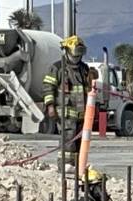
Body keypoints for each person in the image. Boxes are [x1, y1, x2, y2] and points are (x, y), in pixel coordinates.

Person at [42, 35, 97, 168]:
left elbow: (89, 90)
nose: (77, 58)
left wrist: (93, 78)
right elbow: (48, 87)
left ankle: (78, 165)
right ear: (67, 51)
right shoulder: (57, 68)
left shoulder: (84, 69)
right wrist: (50, 106)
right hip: (66, 114)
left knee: (80, 142)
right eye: (75, 54)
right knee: (68, 141)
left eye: (80, 54)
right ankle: (65, 166)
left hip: (82, 114)